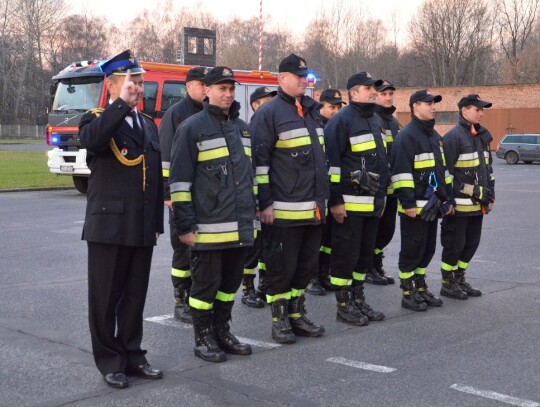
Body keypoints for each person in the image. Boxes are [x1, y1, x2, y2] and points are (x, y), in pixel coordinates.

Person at [79, 50, 164, 389]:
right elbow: (94, 140)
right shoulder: (96, 118)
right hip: (108, 226)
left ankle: (132, 354)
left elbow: (156, 177)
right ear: (113, 84)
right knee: (105, 298)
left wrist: (156, 223)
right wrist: (121, 105)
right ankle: (109, 360)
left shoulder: (146, 125)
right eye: (133, 83)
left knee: (134, 295)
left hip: (141, 225)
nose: (139, 89)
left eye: (141, 83)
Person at [169, 66, 255, 363]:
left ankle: (222, 331)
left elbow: (248, 178)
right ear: (207, 90)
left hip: (239, 228)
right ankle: (202, 338)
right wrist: (185, 225)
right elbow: (180, 182)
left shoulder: (243, 128)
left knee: (229, 287)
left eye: (231, 89)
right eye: (222, 88)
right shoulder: (191, 128)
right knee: (204, 287)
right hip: (207, 228)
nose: (228, 94)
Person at [251, 54, 329, 344]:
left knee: (305, 266)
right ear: (281, 79)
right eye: (297, 76)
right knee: (280, 268)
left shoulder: (311, 112)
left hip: (312, 211)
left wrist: (323, 202)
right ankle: (279, 319)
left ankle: (297, 314)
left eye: (305, 76)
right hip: (282, 211)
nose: (302, 81)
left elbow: (320, 162)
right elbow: (259, 163)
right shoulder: (268, 114)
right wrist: (265, 203)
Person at [325, 72, 388, 326]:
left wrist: (381, 197)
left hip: (371, 204)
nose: (374, 91)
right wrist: (336, 201)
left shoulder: (374, 119)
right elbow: (332, 165)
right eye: (368, 87)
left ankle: (358, 299)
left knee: (363, 255)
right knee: (345, 256)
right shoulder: (340, 121)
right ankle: (343, 306)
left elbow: (381, 162)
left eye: (375, 87)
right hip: (349, 206)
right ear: (353, 93)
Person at [390, 90, 454, 312]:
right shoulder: (406, 136)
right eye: (428, 103)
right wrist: (408, 204)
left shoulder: (434, 136)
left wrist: (447, 199)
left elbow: (442, 172)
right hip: (414, 208)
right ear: (415, 106)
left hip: (432, 206)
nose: (433, 107)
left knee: (427, 249)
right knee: (412, 249)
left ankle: (420, 287)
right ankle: (408, 293)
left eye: (434, 103)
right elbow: (401, 174)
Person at [158, 66, 207, 323]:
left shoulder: (212, 113)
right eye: (202, 85)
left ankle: (198, 298)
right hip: (182, 195)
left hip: (208, 197)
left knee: (203, 250)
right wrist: (169, 194)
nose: (206, 89)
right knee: (183, 250)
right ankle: (181, 300)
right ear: (189, 87)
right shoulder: (176, 114)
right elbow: (165, 157)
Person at [439, 94, 495, 300]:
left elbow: (486, 170)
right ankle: (447, 283)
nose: (481, 113)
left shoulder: (480, 136)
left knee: (471, 245)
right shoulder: (453, 137)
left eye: (482, 110)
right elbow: (445, 175)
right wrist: (463, 195)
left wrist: (490, 195)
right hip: (459, 207)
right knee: (455, 245)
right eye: (477, 109)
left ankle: (459, 278)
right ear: (464, 111)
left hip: (477, 206)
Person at [306, 88, 346, 296]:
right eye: (332, 107)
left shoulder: (337, 126)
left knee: (329, 238)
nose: (335, 111)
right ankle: (312, 278)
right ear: (321, 105)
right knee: (316, 239)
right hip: (317, 191)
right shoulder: (314, 125)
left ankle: (323, 275)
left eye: (339, 107)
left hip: (332, 190)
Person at [241, 86, 277, 309]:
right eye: (265, 101)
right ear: (255, 105)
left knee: (268, 244)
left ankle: (265, 283)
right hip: (255, 195)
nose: (270, 105)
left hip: (271, 193)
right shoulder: (252, 127)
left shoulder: (271, 124)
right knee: (253, 245)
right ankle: (247, 288)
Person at [366, 80, 400, 285]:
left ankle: (376, 263)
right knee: (374, 230)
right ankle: (369, 266)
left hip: (392, 189)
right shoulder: (373, 119)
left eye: (390, 94)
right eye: (383, 94)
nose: (388, 98)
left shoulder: (393, 121)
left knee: (387, 230)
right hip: (376, 189)